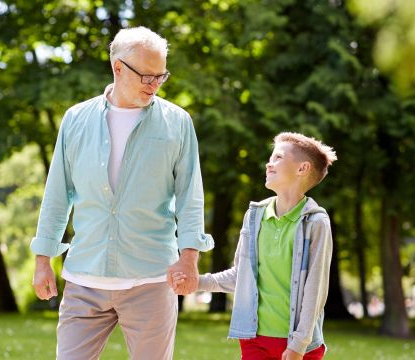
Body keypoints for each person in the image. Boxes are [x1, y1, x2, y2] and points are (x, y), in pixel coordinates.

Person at [30, 26, 214, 360]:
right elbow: (58, 193)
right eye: (146, 76)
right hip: (84, 279)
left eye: (161, 76)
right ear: (118, 67)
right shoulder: (76, 120)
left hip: (151, 279)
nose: (154, 85)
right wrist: (43, 260)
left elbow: (190, 197)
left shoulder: (178, 122)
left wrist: (189, 258)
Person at [172, 132, 337, 360]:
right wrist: (197, 282)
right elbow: (241, 276)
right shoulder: (255, 216)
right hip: (254, 340)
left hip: (300, 344)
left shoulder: (316, 222)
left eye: (278, 157)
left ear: (302, 169)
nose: (269, 163)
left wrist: (299, 343)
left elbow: (315, 289)